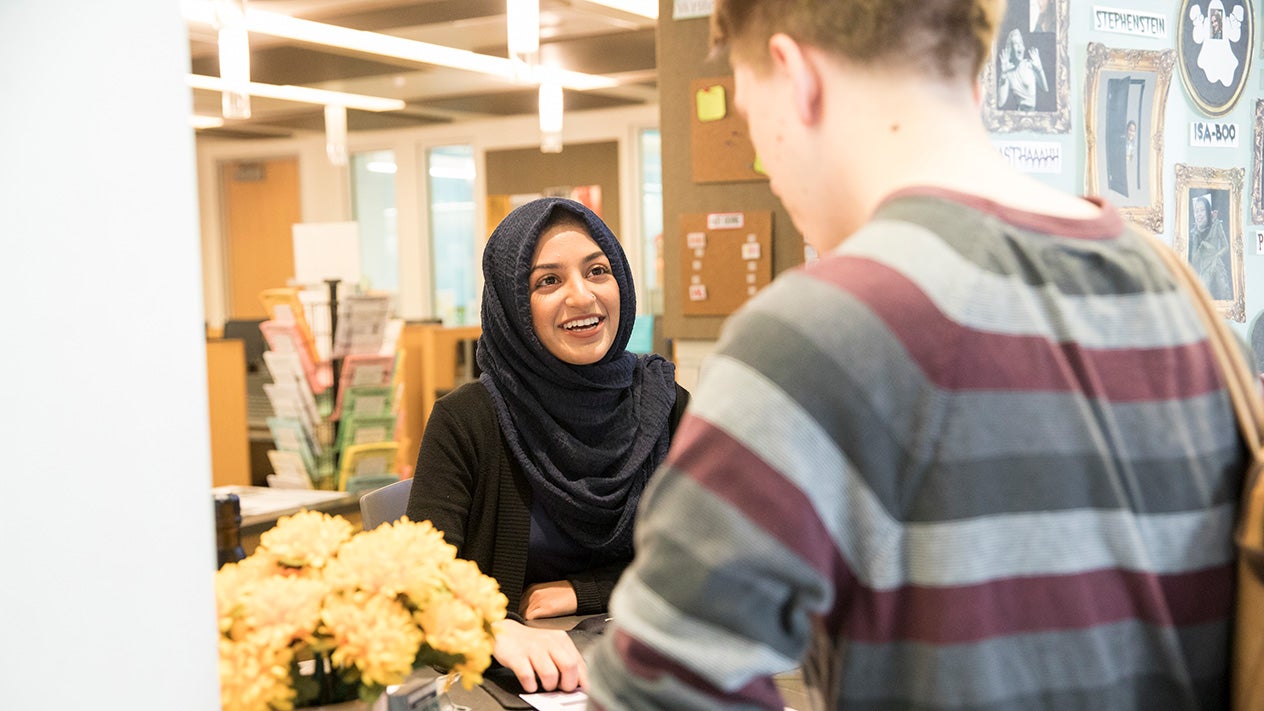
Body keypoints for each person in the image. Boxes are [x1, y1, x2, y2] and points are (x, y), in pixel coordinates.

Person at [586, 1, 1246, 709]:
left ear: (796, 75)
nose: (766, 165)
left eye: (750, 119)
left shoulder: (816, 332)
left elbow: (655, 691)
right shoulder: (1179, 300)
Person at [406, 196, 688, 694]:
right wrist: (493, 628)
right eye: (548, 281)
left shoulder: (663, 406)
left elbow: (707, 558)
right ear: (512, 306)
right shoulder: (467, 420)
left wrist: (586, 591)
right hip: (512, 686)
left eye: (597, 270)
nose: (582, 296)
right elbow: (419, 579)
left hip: (645, 673)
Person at [1190, 193, 1232, 300]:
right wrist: (1202, 246)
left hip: (1217, 265)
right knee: (1203, 297)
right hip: (1204, 269)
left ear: (1208, 212)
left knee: (1224, 290)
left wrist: (1216, 256)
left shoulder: (1216, 225)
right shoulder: (1195, 233)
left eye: (1202, 210)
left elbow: (1226, 246)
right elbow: (1194, 259)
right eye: (1196, 211)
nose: (1199, 214)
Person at [997, 27, 1047, 111]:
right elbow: (1000, 103)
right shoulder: (1008, 73)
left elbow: (1045, 89)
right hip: (1019, 115)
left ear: (1023, 48)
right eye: (1016, 44)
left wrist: (1040, 69)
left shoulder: (1029, 65)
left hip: (1033, 114)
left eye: (1020, 43)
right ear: (1011, 49)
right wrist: (1003, 75)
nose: (1019, 45)